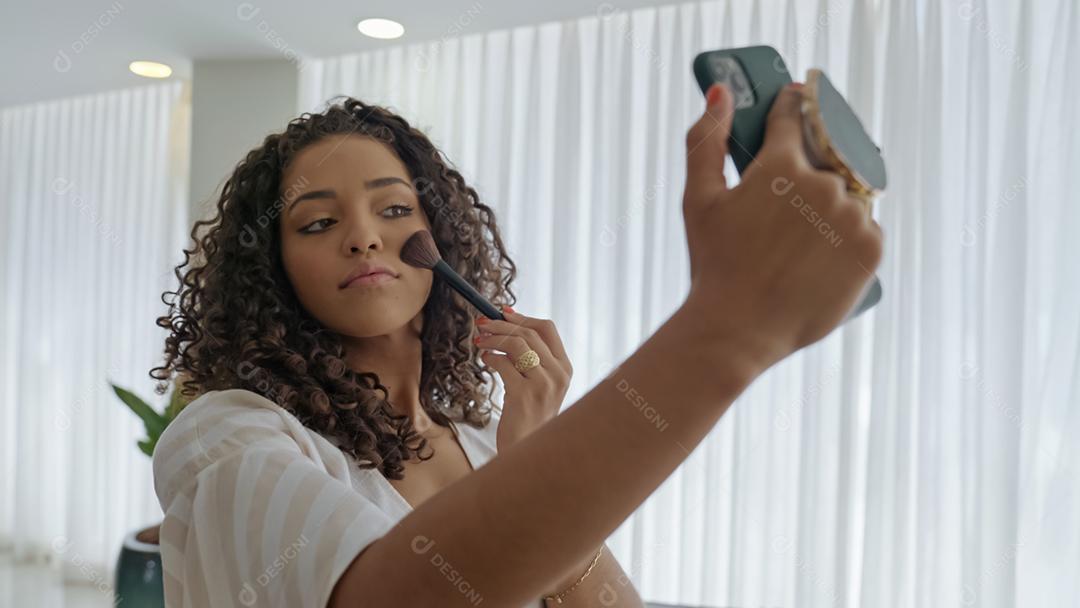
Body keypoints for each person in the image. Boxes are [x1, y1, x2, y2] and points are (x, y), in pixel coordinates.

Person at [149, 80, 882, 607]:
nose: (365, 236)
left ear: (442, 242)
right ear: (271, 273)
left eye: (394, 208)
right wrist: (727, 329)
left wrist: (533, 450)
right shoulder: (231, 437)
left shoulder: (487, 445)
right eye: (316, 223)